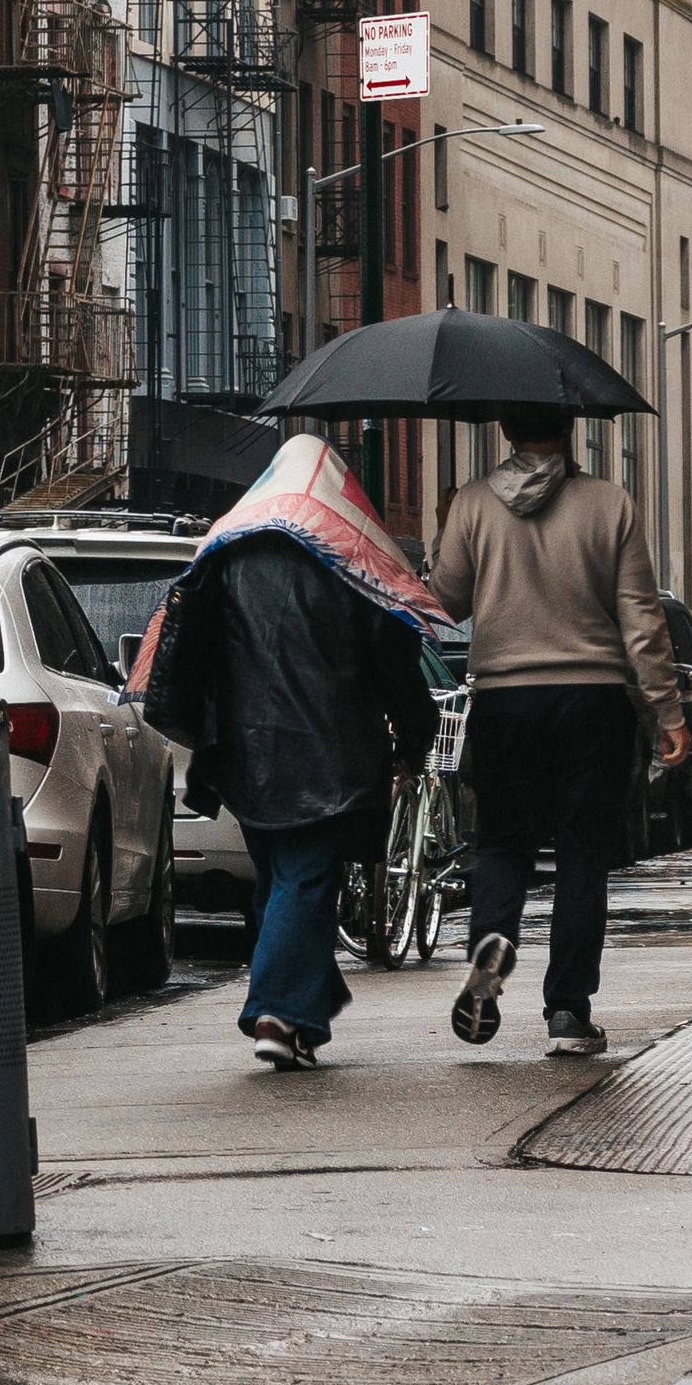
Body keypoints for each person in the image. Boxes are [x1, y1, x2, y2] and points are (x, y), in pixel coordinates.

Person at [150, 435, 449, 1069]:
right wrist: (415, 738)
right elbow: (394, 664)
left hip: (244, 752)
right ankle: (278, 1013)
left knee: (280, 882)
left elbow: (188, 650)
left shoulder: (227, 549)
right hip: (331, 752)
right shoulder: (347, 555)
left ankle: (308, 1009)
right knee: (304, 881)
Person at [425, 414, 692, 1058]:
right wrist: (668, 710)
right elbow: (641, 617)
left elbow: (445, 602)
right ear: (572, 428)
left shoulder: (472, 502)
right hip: (593, 700)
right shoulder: (609, 503)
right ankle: (569, 1011)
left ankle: (491, 940)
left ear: (506, 429)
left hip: (504, 698)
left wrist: (446, 530)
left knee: (502, 844)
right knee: (582, 856)